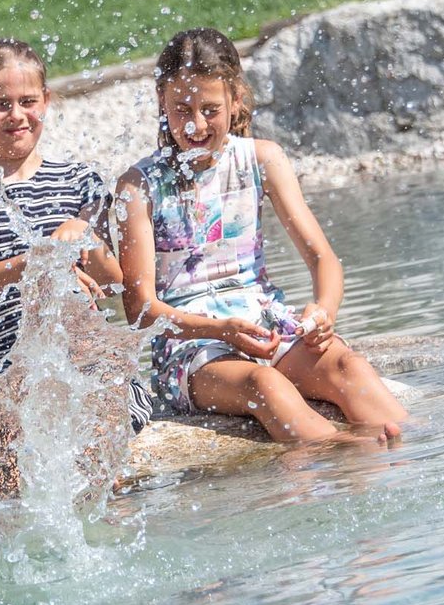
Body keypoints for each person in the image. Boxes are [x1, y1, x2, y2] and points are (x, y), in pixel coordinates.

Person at [114, 27, 409, 444]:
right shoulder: (138, 186)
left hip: (267, 327)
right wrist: (221, 331)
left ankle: (415, 447)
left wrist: (322, 313)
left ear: (235, 99)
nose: (196, 124)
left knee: (351, 368)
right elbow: (141, 311)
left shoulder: (261, 159)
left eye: (210, 109)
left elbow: (323, 260)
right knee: (265, 386)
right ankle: (345, 450)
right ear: (162, 102)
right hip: (193, 350)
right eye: (181, 109)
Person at [0, 39, 153, 430]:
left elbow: (113, 282)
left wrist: (84, 232)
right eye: (0, 104)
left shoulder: (81, 182)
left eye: (28, 101)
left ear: (46, 100)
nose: (16, 115)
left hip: (82, 352)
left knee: (99, 401)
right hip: (5, 358)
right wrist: (36, 262)